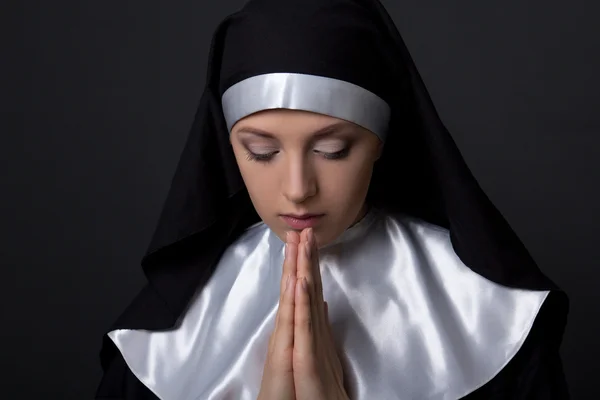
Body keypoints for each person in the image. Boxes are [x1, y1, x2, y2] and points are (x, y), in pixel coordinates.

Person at [95, 0, 570, 399]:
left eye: (333, 150)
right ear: (227, 147)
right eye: (261, 152)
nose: (298, 188)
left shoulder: (491, 319)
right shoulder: (157, 349)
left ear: (380, 139)